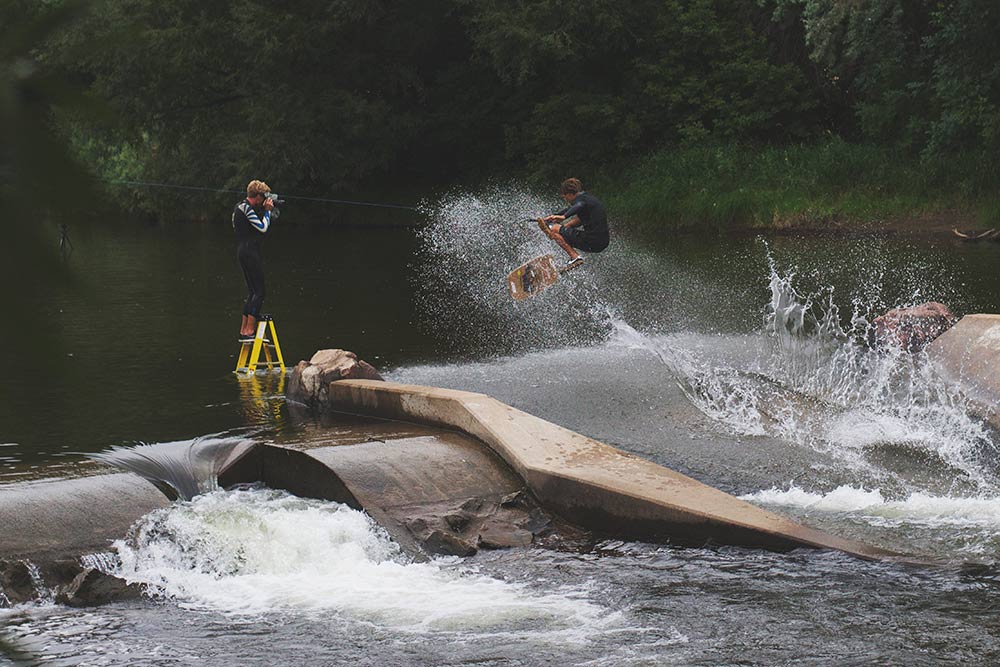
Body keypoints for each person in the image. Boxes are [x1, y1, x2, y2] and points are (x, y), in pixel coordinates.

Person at [233, 179, 279, 340]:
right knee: (260, 292)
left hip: (242, 251)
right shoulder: (246, 208)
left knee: (252, 292)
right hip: (250, 252)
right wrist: (267, 211)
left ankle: (244, 328)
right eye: (263, 197)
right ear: (258, 196)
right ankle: (250, 330)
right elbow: (262, 228)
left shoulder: (239, 207)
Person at [538, 177, 610, 269]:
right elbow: (575, 215)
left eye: (565, 197)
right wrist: (558, 220)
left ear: (569, 194)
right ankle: (573, 256)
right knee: (563, 227)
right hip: (602, 242)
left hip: (592, 240)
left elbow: (578, 206)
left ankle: (575, 257)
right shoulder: (588, 199)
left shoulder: (580, 202)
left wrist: (563, 217)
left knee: (553, 229)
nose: (566, 200)